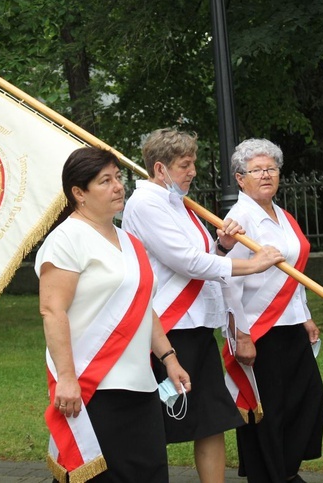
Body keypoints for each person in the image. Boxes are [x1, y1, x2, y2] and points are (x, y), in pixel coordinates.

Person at [122, 129, 285, 483]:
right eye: (185, 164)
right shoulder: (145, 203)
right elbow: (186, 262)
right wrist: (251, 264)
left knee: (211, 419)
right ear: (161, 168)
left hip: (196, 325)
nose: (193, 170)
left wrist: (223, 248)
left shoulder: (179, 202)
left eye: (193, 162)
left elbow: (203, 260)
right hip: (166, 328)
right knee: (158, 420)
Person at [35, 146, 191, 483]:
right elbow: (52, 309)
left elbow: (142, 308)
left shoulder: (131, 241)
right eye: (105, 181)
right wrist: (66, 378)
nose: (118, 186)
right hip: (93, 388)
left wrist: (169, 358)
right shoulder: (65, 240)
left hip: (141, 385)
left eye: (118, 178)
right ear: (79, 193)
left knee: (148, 474)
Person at [221, 138, 323, 483]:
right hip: (259, 330)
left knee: (308, 399)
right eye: (256, 170)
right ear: (240, 179)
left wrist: (305, 314)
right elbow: (228, 280)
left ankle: (282, 469)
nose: (265, 175)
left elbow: (293, 273)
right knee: (266, 410)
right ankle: (270, 474)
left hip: (291, 324)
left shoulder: (281, 215)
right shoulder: (238, 220)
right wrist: (241, 335)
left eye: (271, 169)